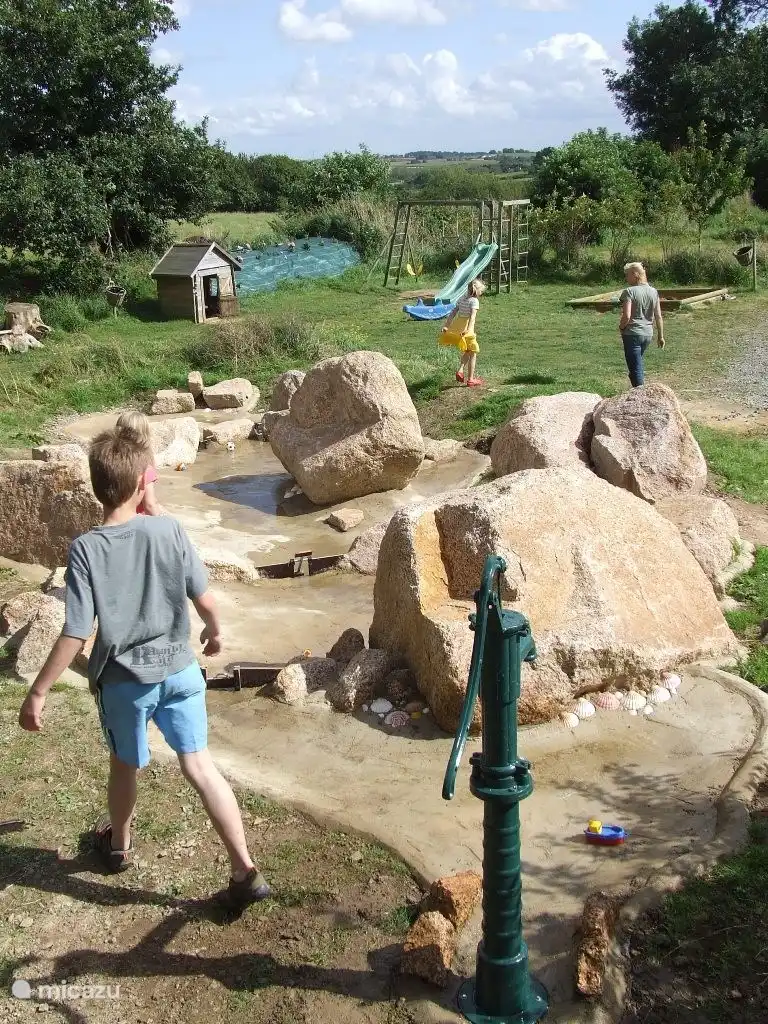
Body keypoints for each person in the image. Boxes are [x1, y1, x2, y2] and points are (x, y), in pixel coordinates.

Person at [18, 425, 271, 906]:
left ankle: (118, 846)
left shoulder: (87, 549)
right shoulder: (170, 529)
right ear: (143, 482)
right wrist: (214, 635)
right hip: (180, 672)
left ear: (96, 487)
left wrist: (38, 691)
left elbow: (76, 630)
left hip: (125, 684)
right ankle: (244, 869)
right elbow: (209, 604)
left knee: (125, 765)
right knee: (200, 766)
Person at [618, 262, 665, 388]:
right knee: (635, 365)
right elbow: (658, 316)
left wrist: (621, 327)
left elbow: (627, 316)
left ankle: (640, 396)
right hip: (647, 335)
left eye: (627, 275)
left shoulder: (629, 292)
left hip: (632, 334)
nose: (626, 278)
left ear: (635, 274)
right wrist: (660, 336)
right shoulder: (653, 292)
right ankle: (636, 388)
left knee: (635, 368)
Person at [440, 278, 486, 387]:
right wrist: (469, 330)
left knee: (468, 350)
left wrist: (447, 326)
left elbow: (453, 312)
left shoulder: (462, 298)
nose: (481, 294)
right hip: (466, 327)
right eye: (481, 292)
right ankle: (471, 380)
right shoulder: (474, 301)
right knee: (473, 352)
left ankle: (460, 370)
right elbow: (472, 317)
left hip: (458, 325)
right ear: (477, 291)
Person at [115, 411, 163, 516]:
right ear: (144, 435)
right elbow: (149, 505)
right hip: (138, 521)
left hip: (117, 518)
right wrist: (163, 524)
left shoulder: (112, 461)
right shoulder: (144, 466)